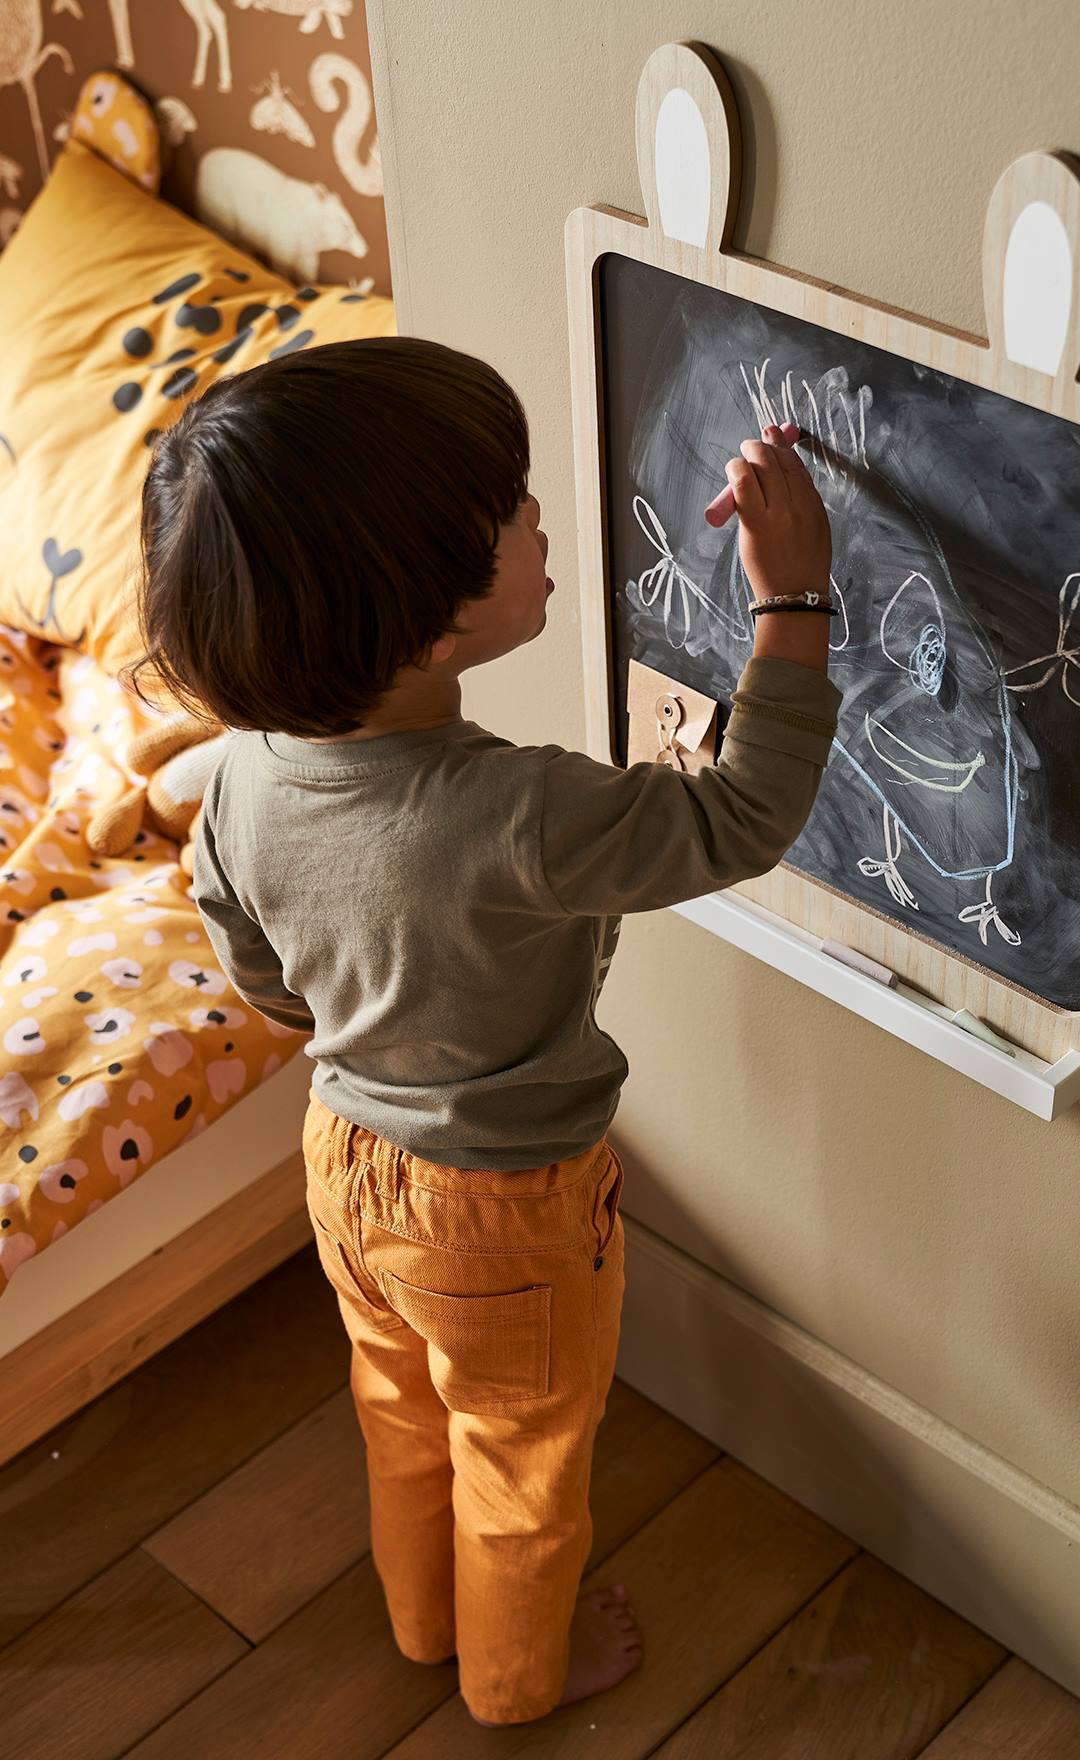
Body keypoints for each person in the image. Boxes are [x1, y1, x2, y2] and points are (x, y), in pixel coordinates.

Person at [136, 336, 839, 1726]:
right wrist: (796, 598)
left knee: (399, 1416)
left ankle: (421, 1624)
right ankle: (520, 1680)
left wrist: (377, 1010)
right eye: (507, 510)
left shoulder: (229, 779)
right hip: (505, 1210)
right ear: (432, 628)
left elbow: (263, 978)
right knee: (522, 1458)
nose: (535, 515)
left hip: (345, 1161)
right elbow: (740, 818)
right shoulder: (524, 812)